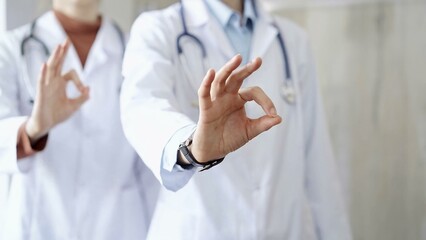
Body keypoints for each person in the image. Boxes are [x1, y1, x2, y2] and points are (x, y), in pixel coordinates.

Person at [121, 0, 351, 239]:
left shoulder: (293, 40)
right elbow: (142, 107)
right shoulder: (157, 29)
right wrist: (192, 149)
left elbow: (318, 161)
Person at [0, 0, 158, 239]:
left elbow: (152, 156)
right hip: (38, 223)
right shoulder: (11, 48)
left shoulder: (137, 52)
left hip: (118, 225)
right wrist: (35, 129)